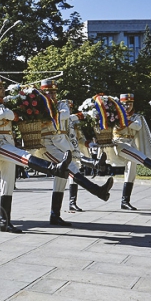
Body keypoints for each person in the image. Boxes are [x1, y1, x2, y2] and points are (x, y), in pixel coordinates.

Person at [0, 75, 72, 233]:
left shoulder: (4, 103)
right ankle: (54, 169)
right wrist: (13, 112)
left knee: (7, 185)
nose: (2, 89)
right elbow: (4, 115)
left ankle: (4, 222)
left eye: (2, 86)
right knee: (22, 156)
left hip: (7, 141)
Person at [35, 80, 113, 226]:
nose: (52, 95)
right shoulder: (38, 106)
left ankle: (54, 215)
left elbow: (65, 115)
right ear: (42, 93)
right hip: (47, 145)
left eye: (54, 92)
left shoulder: (60, 105)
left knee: (61, 181)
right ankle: (98, 191)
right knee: (71, 169)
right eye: (48, 92)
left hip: (62, 144)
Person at [107, 93, 151, 210]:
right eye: (124, 104)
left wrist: (124, 119)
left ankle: (125, 201)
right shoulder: (114, 116)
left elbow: (138, 127)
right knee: (139, 157)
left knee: (130, 173)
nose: (127, 106)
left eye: (130, 103)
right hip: (119, 144)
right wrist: (121, 118)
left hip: (130, 144)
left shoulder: (137, 117)